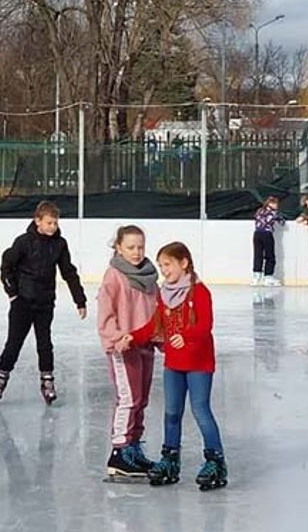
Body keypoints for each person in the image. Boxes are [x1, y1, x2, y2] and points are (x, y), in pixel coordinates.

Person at [116, 242, 228, 491]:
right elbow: (154, 326)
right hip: (174, 365)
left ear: (184, 263)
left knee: (200, 410)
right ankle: (170, 458)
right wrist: (132, 337)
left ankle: (215, 460)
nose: (163, 270)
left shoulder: (199, 292)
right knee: (172, 413)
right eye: (161, 265)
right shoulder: (164, 294)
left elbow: (205, 326)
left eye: (167, 264)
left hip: (199, 363)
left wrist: (186, 335)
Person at [0, 201, 87, 404]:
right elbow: (6, 266)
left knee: (45, 344)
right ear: (38, 221)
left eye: (55, 223)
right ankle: (1, 378)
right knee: (13, 344)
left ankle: (47, 381)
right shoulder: (23, 242)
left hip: (45, 302)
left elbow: (68, 272)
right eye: (49, 223)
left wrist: (80, 300)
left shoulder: (60, 244)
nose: (53, 227)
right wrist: (12, 293)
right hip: (22, 303)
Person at [97, 225, 160, 481]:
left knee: (142, 399)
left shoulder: (149, 276)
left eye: (140, 247)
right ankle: (119, 451)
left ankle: (133, 447)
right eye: (131, 247)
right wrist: (116, 337)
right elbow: (105, 313)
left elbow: (156, 311)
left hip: (145, 345)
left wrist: (160, 338)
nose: (136, 252)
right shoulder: (113, 276)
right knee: (128, 398)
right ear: (119, 248)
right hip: (123, 347)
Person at [251, 195, 285, 287]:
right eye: (275, 204)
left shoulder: (259, 211)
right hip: (266, 234)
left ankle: (256, 276)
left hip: (257, 234)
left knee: (258, 255)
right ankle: (268, 276)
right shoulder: (273, 213)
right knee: (270, 256)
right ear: (270, 203)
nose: (277, 206)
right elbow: (282, 222)